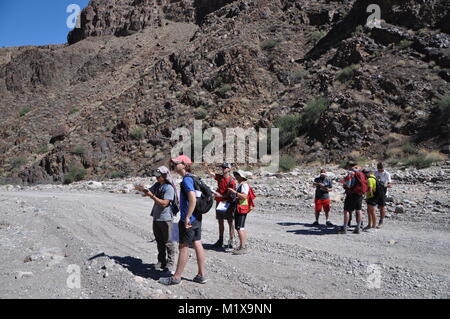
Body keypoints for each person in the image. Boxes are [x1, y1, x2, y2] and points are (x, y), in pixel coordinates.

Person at [159, 155, 207, 285]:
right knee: (197, 243)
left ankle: (176, 277)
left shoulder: (186, 180)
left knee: (183, 247)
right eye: (174, 163)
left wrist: (186, 217)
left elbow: (192, 198)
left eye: (177, 163)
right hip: (197, 218)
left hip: (188, 219)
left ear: (184, 165)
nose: (174, 165)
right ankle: (201, 275)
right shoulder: (193, 177)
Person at [134, 166, 178, 273]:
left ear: (164, 176)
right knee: (159, 241)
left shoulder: (169, 188)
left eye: (159, 176)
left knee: (169, 242)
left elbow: (164, 203)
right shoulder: (158, 185)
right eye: (156, 176)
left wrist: (152, 195)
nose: (157, 178)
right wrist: (140, 189)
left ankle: (170, 264)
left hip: (166, 218)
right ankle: (161, 261)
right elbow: (145, 194)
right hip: (157, 217)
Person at [204, 162, 237, 249]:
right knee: (220, 221)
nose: (223, 169)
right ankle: (220, 240)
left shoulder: (232, 181)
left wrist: (220, 196)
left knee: (230, 222)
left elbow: (231, 195)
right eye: (222, 167)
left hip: (228, 203)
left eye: (225, 167)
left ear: (229, 169)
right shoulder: (220, 177)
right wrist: (207, 167)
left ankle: (231, 240)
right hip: (221, 203)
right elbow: (211, 174)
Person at [227, 170, 255, 255]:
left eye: (237, 175)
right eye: (235, 174)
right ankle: (241, 245)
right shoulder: (241, 185)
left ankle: (243, 247)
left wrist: (234, 192)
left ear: (241, 176)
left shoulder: (244, 185)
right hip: (240, 208)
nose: (235, 176)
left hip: (242, 209)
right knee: (239, 227)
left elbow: (244, 196)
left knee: (240, 228)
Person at [339, 161, 366, 234]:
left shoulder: (351, 173)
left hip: (351, 194)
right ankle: (358, 227)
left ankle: (345, 228)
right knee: (359, 210)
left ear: (348, 165)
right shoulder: (360, 171)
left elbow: (348, 185)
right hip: (359, 194)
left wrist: (343, 183)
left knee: (347, 210)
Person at [375, 162, 392, 228]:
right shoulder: (375, 173)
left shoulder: (387, 174)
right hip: (376, 192)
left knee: (382, 207)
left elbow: (390, 184)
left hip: (383, 192)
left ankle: (381, 220)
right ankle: (374, 221)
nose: (380, 171)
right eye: (379, 169)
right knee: (374, 206)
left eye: (381, 169)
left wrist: (384, 185)